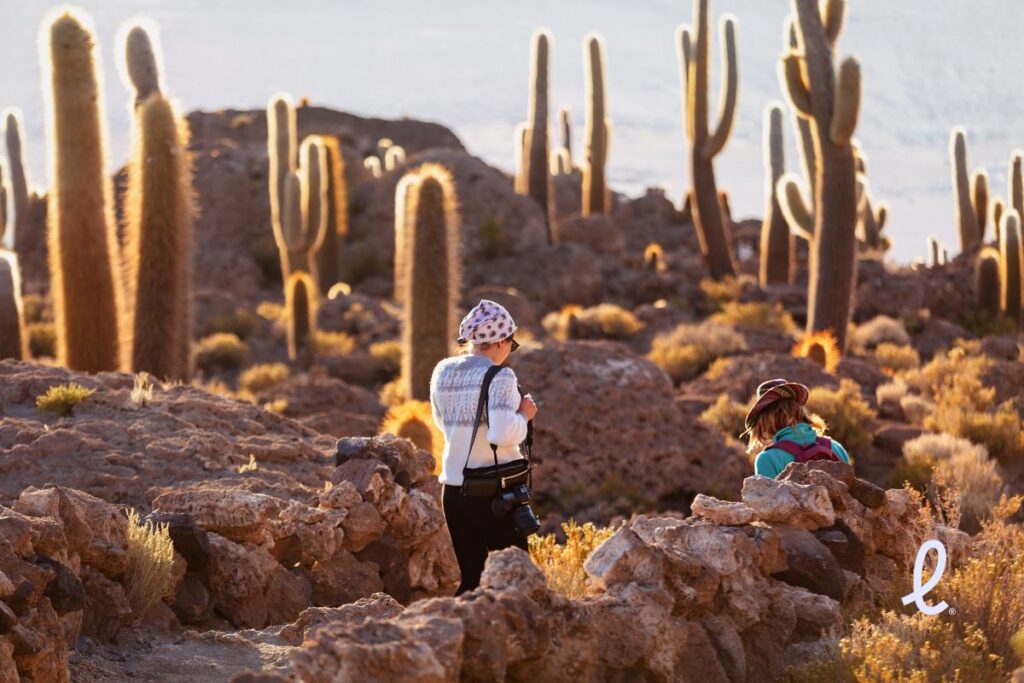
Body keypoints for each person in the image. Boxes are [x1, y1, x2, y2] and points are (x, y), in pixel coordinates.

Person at [429, 299, 538, 594]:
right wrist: (524, 416)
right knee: (516, 581)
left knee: (471, 581)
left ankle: (459, 635)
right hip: (493, 494)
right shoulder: (501, 376)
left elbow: (442, 423)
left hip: (453, 492)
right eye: (511, 344)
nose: (509, 352)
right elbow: (502, 434)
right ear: (501, 340)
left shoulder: (442, 370)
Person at [743, 378, 851, 479]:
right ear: (799, 409)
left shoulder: (767, 460)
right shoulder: (836, 448)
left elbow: (765, 499)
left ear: (765, 419)